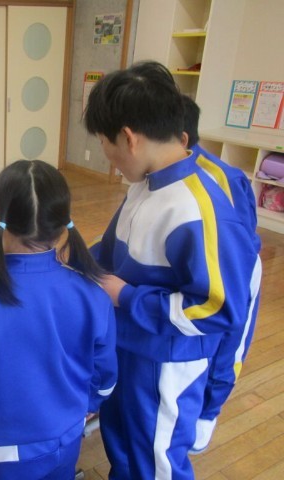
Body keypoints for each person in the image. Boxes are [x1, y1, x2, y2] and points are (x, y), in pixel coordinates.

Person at [84, 61, 259, 479]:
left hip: (166, 364)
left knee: (157, 459)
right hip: (130, 345)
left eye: (105, 145)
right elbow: (110, 250)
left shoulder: (199, 209)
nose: (110, 160)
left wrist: (126, 296)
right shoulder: (143, 186)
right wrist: (73, 259)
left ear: (129, 138)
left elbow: (218, 310)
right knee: (121, 440)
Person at [0, 160, 118, 479]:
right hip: (68, 437)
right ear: (62, 226)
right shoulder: (93, 293)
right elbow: (105, 373)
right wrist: (90, 403)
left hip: (1, 452)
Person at [182, 94, 262, 454]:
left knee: (227, 343)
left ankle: (207, 413)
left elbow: (239, 252)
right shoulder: (156, 171)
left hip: (234, 274)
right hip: (198, 271)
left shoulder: (224, 178)